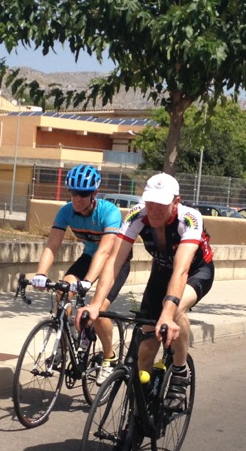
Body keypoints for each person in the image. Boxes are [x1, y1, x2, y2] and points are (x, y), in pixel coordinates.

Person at [81, 172, 214, 411]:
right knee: (145, 350)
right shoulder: (137, 215)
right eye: (150, 202)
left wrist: (167, 314)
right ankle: (142, 410)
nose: (153, 210)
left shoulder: (189, 218)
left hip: (195, 272)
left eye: (161, 204)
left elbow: (181, 270)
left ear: (176, 201)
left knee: (174, 311)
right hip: (161, 271)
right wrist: (96, 304)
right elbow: (115, 261)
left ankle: (180, 372)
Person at [26, 164, 129, 384]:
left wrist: (88, 281)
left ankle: (109, 357)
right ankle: (65, 345)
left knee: (98, 311)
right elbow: (52, 245)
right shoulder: (66, 211)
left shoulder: (109, 212)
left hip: (114, 262)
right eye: (73, 192)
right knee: (62, 292)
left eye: (83, 193)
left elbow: (105, 252)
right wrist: (41, 273)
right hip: (89, 258)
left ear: (94, 194)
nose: (77, 198)